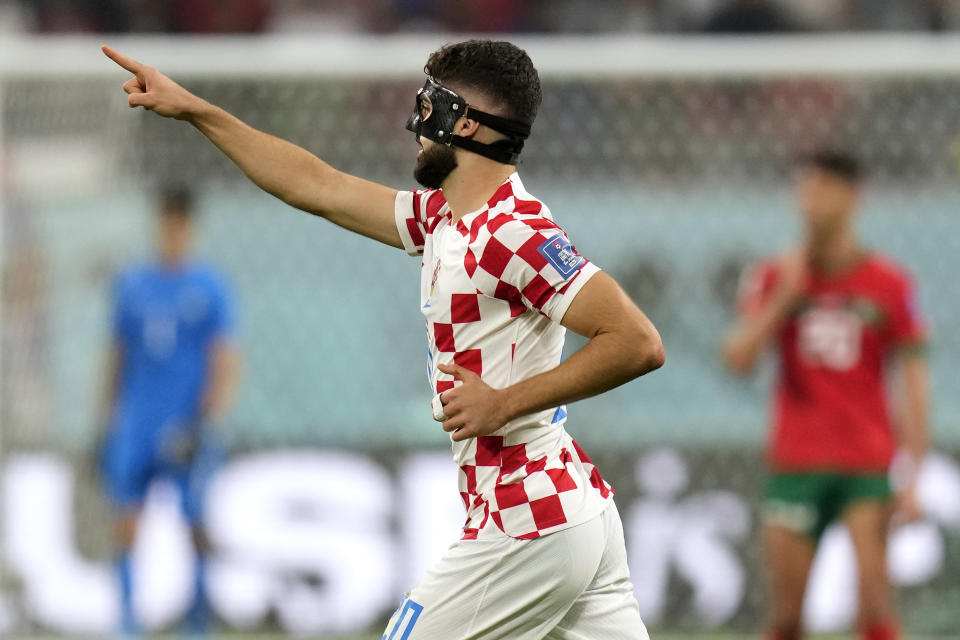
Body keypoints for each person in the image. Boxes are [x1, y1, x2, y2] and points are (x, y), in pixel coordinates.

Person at [101, 39, 664, 639]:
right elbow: (315, 185)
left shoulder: (512, 235)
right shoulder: (443, 219)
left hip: (529, 519)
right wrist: (195, 109)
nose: (417, 122)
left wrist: (504, 402)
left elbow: (636, 341)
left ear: (466, 123)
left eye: (431, 104)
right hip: (569, 511)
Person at [722, 150, 930, 640]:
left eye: (822, 190)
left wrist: (914, 472)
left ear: (852, 198)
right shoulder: (776, 276)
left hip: (867, 464)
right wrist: (785, 301)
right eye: (805, 190)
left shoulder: (890, 284)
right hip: (797, 461)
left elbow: (915, 384)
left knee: (876, 612)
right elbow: (737, 357)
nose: (810, 202)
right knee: (787, 618)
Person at [96, 187, 240, 636]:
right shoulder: (133, 286)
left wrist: (206, 419)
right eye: (166, 222)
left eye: (179, 223)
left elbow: (225, 361)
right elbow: (116, 354)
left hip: (186, 423)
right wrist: (106, 418)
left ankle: (198, 620)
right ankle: (126, 619)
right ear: (158, 224)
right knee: (126, 519)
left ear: (190, 227)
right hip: (138, 421)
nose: (172, 232)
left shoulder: (210, 289)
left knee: (193, 520)